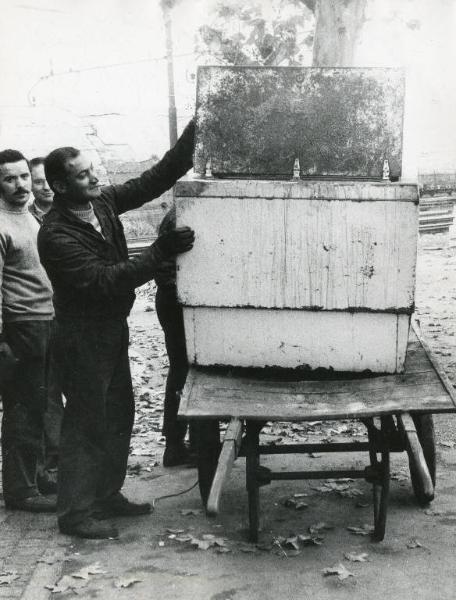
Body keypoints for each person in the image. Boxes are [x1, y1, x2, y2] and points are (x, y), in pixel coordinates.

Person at [38, 121, 195, 539]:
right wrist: (160, 253)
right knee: (86, 422)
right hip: (82, 335)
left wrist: (198, 130)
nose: (94, 177)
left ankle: (106, 494)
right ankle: (74, 513)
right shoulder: (55, 234)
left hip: (111, 329)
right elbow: (103, 279)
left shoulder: (102, 203)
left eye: (93, 169)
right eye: (82, 173)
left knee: (117, 415)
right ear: (59, 185)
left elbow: (156, 177)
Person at [0, 149, 56, 512]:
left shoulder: (29, 217)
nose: (20, 185)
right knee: (22, 409)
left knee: (40, 406)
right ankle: (20, 491)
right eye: (9, 179)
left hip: (45, 323)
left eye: (23, 177)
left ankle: (35, 476)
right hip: (21, 328)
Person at [29, 157, 64, 495]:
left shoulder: (68, 215)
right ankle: (49, 467)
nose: (44, 188)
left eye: (47, 181)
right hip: (39, 318)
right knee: (47, 395)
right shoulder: (26, 219)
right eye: (37, 182)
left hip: (66, 315)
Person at [155, 206, 194, 466]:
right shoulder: (185, 210)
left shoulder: (181, 209)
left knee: (181, 370)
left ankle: (176, 442)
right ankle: (176, 444)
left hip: (176, 296)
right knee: (183, 369)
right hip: (177, 298)